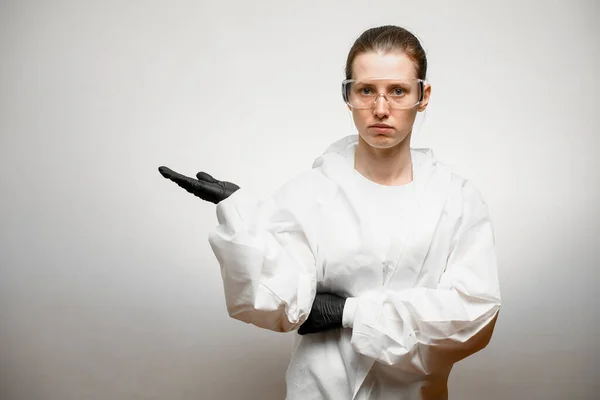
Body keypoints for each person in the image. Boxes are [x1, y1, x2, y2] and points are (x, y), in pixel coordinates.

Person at [159, 25, 501, 400]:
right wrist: (243, 218)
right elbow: (277, 304)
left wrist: (348, 314)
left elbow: (473, 314)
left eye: (398, 91)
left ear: (423, 95)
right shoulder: (309, 194)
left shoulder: (456, 200)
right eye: (366, 90)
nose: (381, 109)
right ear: (348, 96)